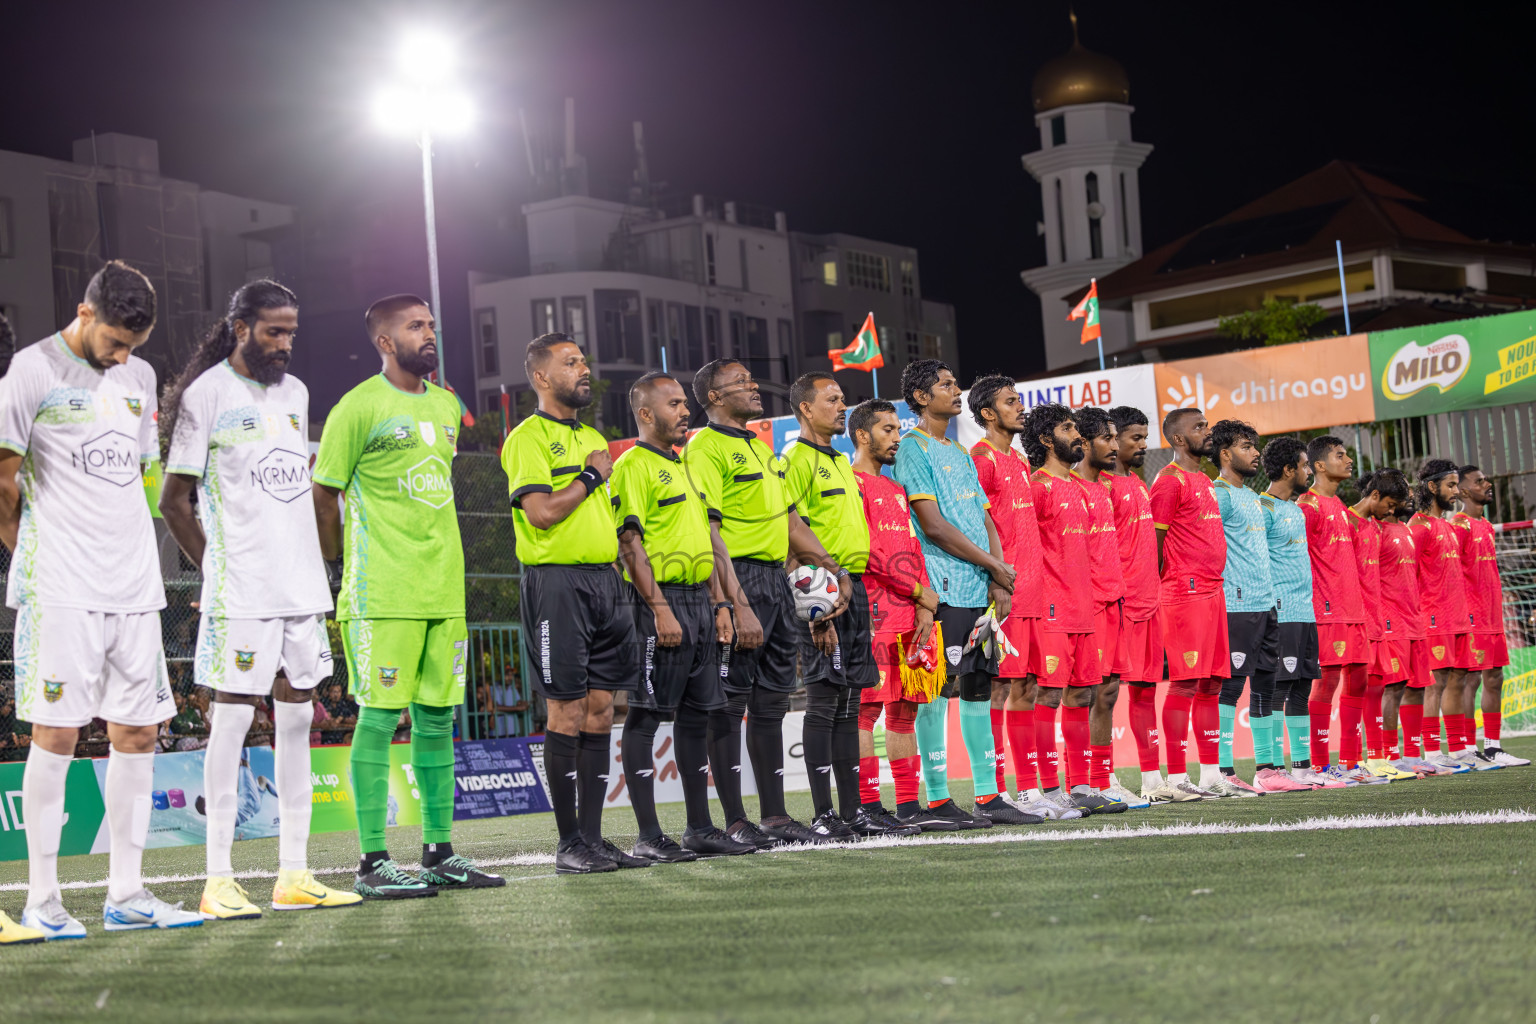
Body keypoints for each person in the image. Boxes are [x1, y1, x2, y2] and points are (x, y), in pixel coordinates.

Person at [0, 260, 201, 938]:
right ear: (85, 315)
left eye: (132, 348)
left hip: (133, 588)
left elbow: (143, 480)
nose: (121, 357)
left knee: (138, 734)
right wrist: (34, 554)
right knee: (56, 734)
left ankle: (128, 894)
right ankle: (44, 899)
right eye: (114, 342)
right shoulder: (31, 370)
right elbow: (2, 484)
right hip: (61, 587)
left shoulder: (138, 378)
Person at [160, 279, 360, 918]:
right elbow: (175, 501)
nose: (285, 344)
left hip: (301, 587)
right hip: (242, 592)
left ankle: (294, 874)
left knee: (299, 718)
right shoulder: (205, 395)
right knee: (234, 718)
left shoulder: (297, 394)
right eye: (274, 331)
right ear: (240, 326)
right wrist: (217, 572)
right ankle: (218, 879)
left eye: (292, 332)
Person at [313, 293, 501, 894]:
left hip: (443, 590)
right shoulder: (358, 407)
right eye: (415, 326)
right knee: (378, 718)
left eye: (431, 325)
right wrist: (342, 567)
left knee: (438, 720)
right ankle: (371, 863)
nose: (429, 334)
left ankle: (439, 852)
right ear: (385, 342)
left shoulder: (447, 407)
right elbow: (324, 494)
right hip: (383, 590)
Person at [682, 359, 850, 847]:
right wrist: (735, 603)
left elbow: (792, 523)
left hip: (778, 581)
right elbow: (709, 532)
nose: (752, 386)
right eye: (739, 382)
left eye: (751, 379)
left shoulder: (764, 451)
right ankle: (735, 820)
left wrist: (832, 571)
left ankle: (774, 817)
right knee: (730, 704)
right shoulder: (705, 449)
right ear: (713, 397)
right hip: (738, 579)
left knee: (772, 703)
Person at [502, 332, 645, 873]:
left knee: (602, 709)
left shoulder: (592, 435)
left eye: (583, 359)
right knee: (564, 708)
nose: (583, 368)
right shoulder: (527, 438)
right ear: (541, 377)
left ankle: (593, 838)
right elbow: (540, 512)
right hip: (557, 584)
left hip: (604, 582)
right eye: (570, 362)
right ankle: (568, 845)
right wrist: (590, 475)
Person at [611, 371, 753, 859]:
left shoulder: (683, 465)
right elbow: (629, 543)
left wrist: (719, 605)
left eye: (682, 403)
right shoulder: (633, 465)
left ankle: (700, 828)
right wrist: (659, 610)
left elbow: (708, 544)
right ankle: (649, 835)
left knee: (699, 715)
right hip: (660, 603)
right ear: (646, 414)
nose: (684, 411)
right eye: (673, 404)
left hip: (698, 602)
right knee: (647, 716)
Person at [786, 373, 922, 835]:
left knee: (848, 703)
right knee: (823, 704)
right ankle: (824, 814)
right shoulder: (795, 459)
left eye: (843, 398)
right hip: (825, 593)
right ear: (806, 408)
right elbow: (791, 533)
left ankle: (853, 811)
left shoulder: (840, 463)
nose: (842, 405)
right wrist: (813, 607)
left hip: (854, 587)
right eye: (832, 399)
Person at [894, 360, 1023, 827]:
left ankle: (989, 796)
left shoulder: (962, 453)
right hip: (941, 586)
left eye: (955, 383)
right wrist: (993, 565)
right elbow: (932, 524)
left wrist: (996, 577)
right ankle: (936, 798)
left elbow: (986, 520)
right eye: (946, 385)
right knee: (938, 691)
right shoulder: (912, 449)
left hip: (977, 589)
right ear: (922, 398)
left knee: (977, 688)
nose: (956, 390)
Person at [967, 377, 1080, 821]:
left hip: (1032, 591)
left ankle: (1029, 790)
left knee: (1026, 687)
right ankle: (993, 793)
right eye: (1011, 402)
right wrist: (995, 578)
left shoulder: (1016, 458)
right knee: (997, 687)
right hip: (1002, 590)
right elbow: (974, 521)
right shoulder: (981, 458)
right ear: (989, 413)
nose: (1021, 408)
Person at [1021, 403, 1121, 815]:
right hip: (1051, 609)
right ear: (1047, 440)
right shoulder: (1036, 486)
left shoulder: (1084, 490)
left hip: (1085, 608)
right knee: (1045, 693)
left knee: (1081, 695)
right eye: (1067, 429)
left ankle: (1079, 786)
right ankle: (1047, 789)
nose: (1078, 436)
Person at [848, 399, 933, 834]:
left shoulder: (896, 489)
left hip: (911, 613)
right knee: (867, 711)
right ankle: (867, 805)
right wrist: (917, 591)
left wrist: (923, 601)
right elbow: (866, 555)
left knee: (905, 710)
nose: (896, 437)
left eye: (897, 429)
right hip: (872, 611)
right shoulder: (850, 484)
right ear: (863, 435)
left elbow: (911, 550)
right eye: (887, 429)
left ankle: (907, 805)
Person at [1149, 408, 1228, 800]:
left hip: (1215, 592)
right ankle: (1178, 776)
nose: (1207, 432)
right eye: (1198, 428)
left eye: (1206, 425)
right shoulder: (1168, 481)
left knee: (1211, 684)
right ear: (1178, 439)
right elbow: (1155, 544)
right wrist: (1166, 585)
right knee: (1184, 683)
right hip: (1184, 592)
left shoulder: (1205, 479)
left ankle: (1211, 774)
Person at [1107, 407, 1183, 802]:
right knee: (1101, 693)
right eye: (1134, 437)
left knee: (1143, 691)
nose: (1143, 444)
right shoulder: (1100, 484)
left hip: (1147, 602)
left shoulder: (1137, 482)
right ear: (1111, 437)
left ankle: (1153, 779)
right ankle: (1102, 778)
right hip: (1116, 607)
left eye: (1144, 436)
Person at [1072, 406, 1147, 808]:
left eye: (1118, 439)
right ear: (1083, 443)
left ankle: (1102, 778)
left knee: (1108, 693)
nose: (1116, 447)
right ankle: (1076, 781)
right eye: (1109, 439)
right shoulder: (1067, 486)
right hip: (1084, 605)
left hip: (1114, 601)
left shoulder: (1106, 488)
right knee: (1082, 694)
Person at [1257, 440, 1332, 789]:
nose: (1309, 472)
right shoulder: (1263, 507)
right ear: (1289, 470)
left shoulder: (1297, 510)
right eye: (1305, 466)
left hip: (1305, 610)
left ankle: (1302, 768)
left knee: (1302, 686)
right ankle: (1271, 770)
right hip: (1280, 610)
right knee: (1278, 689)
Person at [1296, 435, 1370, 785]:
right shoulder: (1306, 506)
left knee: (1359, 681)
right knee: (1326, 685)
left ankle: (1352, 762)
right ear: (1320, 466)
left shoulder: (1341, 507)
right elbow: (1297, 560)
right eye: (1341, 456)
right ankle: (1322, 764)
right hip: (1326, 610)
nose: (1349, 460)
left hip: (1353, 610)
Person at [1207, 420, 1272, 797]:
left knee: (1266, 683)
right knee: (1229, 688)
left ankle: (1266, 768)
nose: (1255, 453)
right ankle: (1223, 768)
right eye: (1247, 446)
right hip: (1236, 603)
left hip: (1266, 604)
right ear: (1226, 454)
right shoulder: (1219, 494)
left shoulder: (1252, 496)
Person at [1454, 466, 1528, 766]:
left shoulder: (1484, 524)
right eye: (1479, 481)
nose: (1487, 484)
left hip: (1493, 615)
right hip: (1470, 616)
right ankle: (1470, 749)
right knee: (1470, 680)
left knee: (1494, 677)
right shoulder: (1458, 526)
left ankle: (1494, 747)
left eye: (1486, 479)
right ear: (1461, 490)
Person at [1408, 460, 1478, 773]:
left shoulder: (1448, 527)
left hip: (1458, 617)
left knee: (1458, 680)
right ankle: (1433, 752)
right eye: (1450, 485)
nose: (1455, 491)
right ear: (1432, 487)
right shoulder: (1418, 527)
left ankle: (1460, 750)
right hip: (1433, 618)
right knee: (1434, 684)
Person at [1348, 470, 1416, 781]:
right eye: (1390, 504)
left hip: (1375, 620)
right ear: (1375, 495)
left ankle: (1376, 759)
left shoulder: (1374, 527)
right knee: (1354, 689)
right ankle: (1349, 761)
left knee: (1375, 687)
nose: (1392, 511)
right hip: (1354, 618)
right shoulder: (1347, 522)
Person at [1376, 493, 1445, 775]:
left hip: (1414, 619)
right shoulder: (1376, 531)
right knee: (1394, 687)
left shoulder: (1406, 530)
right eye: (1406, 492)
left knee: (1416, 687)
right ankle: (1391, 756)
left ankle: (1413, 755)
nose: (1413, 497)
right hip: (1391, 620)